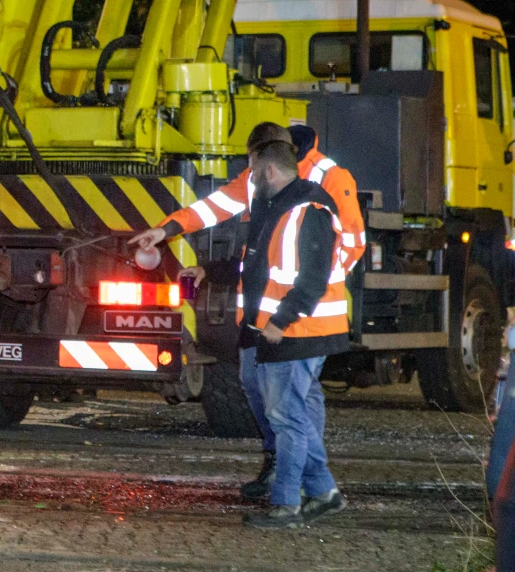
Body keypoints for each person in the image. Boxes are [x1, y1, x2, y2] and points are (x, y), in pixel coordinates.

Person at [129, 121, 364, 501]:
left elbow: (347, 248)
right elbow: (217, 210)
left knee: (290, 409)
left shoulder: (328, 179)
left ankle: (293, 486)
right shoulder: (263, 180)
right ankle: (306, 480)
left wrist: (300, 305)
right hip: (262, 319)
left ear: (268, 161)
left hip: (298, 322)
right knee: (275, 400)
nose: (248, 175)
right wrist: (168, 230)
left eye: (251, 165)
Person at [235, 140, 348, 528]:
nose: (250, 179)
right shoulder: (281, 207)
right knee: (290, 415)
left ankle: (287, 506)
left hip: (298, 332)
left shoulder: (308, 209)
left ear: (269, 171)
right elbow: (259, 269)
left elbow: (313, 279)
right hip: (286, 331)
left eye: (253, 171)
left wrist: (280, 321)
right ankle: (323, 493)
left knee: (286, 419)